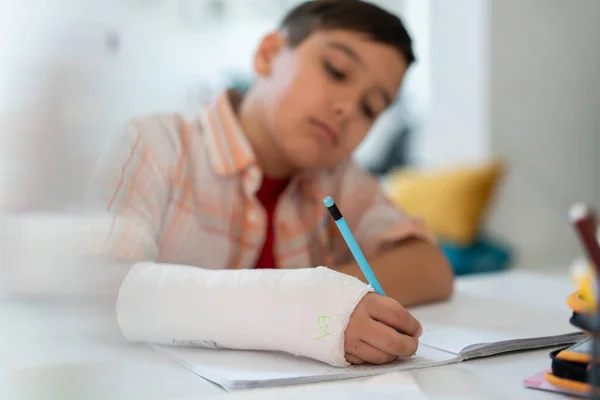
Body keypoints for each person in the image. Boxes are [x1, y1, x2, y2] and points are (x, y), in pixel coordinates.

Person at [86, 0, 454, 367]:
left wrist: (330, 298)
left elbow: (431, 267)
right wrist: (297, 304)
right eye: (336, 71)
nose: (347, 108)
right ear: (269, 54)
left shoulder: (339, 178)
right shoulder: (153, 147)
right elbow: (102, 289)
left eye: (370, 107)